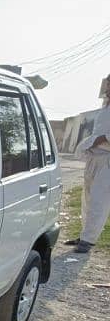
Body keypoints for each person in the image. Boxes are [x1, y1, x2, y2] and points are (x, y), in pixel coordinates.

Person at [67, 75, 110, 253]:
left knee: (99, 201)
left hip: (107, 161)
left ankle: (88, 240)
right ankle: (84, 235)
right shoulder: (104, 107)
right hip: (94, 158)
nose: (106, 87)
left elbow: (103, 135)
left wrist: (101, 139)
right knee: (87, 199)